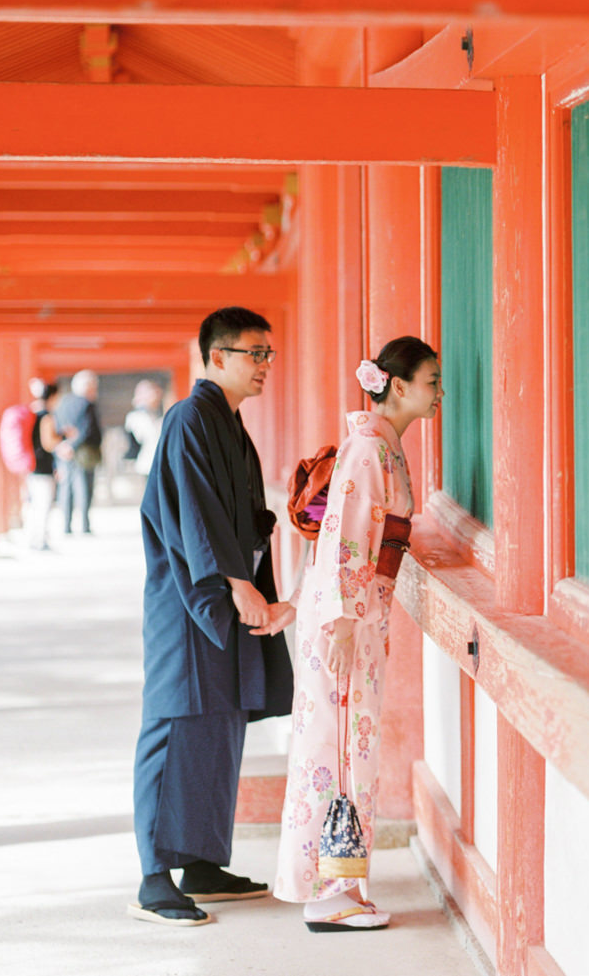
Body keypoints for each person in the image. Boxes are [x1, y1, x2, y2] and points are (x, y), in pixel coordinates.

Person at [129, 307, 296, 927]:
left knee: (220, 727)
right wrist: (234, 583)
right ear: (216, 356)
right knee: (176, 724)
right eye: (255, 354)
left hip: (223, 598)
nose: (265, 367)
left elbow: (241, 512)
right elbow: (193, 516)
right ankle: (153, 877)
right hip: (187, 602)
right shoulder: (188, 420)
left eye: (269, 355)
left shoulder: (228, 423)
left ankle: (200, 861)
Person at [274, 336, 441, 931]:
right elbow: (345, 535)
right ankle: (329, 890)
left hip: (361, 610)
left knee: (350, 744)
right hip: (348, 616)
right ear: (398, 386)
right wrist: (342, 621)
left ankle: (347, 884)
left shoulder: (384, 445)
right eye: (431, 381)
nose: (438, 393)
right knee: (337, 746)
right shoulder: (370, 449)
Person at [54, 369, 103, 535]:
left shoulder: (63, 402)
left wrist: (64, 446)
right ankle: (84, 525)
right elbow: (88, 429)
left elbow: (58, 426)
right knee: (84, 488)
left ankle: (66, 525)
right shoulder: (87, 404)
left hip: (64, 451)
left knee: (67, 487)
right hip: (84, 452)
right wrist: (73, 446)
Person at [23, 380, 62, 551]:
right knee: (43, 505)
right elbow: (48, 443)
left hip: (32, 466)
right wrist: (62, 437)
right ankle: (39, 540)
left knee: (35, 504)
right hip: (43, 467)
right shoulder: (46, 416)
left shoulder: (33, 413)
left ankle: (34, 538)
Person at [124, 379, 165, 476]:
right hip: (146, 463)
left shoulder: (155, 415)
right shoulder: (136, 417)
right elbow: (146, 437)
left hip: (157, 463)